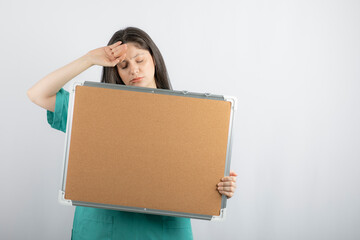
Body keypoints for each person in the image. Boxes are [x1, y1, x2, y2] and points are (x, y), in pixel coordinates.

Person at [27, 27, 238, 240]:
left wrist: (219, 187)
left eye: (140, 60)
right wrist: (89, 59)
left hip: (164, 231)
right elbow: (38, 94)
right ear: (115, 71)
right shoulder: (96, 108)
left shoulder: (189, 114)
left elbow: (198, 172)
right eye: (123, 65)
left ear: (154, 60)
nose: (133, 71)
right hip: (101, 230)